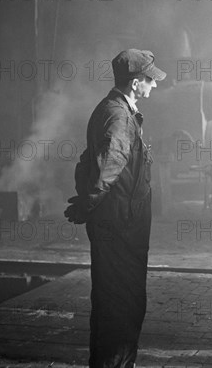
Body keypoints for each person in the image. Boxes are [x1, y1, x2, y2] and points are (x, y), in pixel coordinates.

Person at [64, 48, 166, 368]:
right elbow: (110, 163)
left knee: (112, 299)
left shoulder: (112, 109)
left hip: (119, 221)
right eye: (151, 79)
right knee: (122, 302)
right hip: (121, 225)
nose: (155, 85)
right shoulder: (119, 115)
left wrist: (87, 201)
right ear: (136, 83)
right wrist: (89, 204)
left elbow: (87, 160)